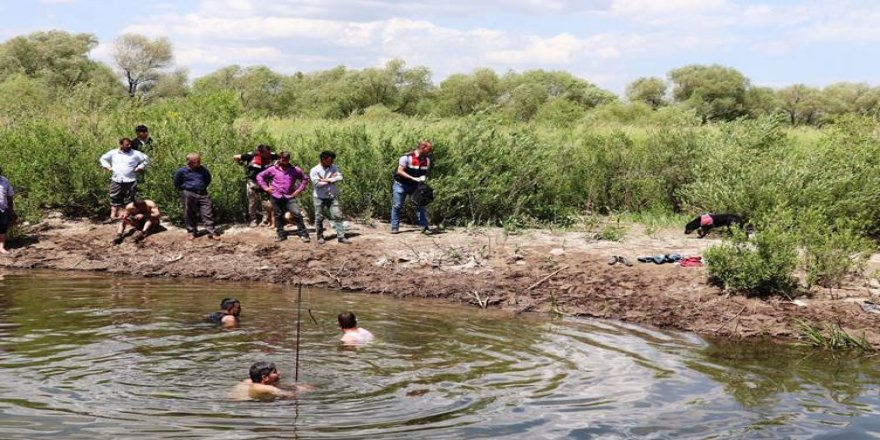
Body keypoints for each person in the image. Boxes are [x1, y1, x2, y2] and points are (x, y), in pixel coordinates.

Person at [256, 152, 310, 243]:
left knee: (297, 213)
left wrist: (298, 191)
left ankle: (303, 234)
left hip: (289, 196)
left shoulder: (295, 170)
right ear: (279, 158)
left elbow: (305, 179)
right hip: (276, 196)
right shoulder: (272, 169)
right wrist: (266, 188)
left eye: (286, 158)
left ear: (289, 159)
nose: (284, 160)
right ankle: (281, 234)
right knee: (278, 215)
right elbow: (259, 176)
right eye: (282, 158)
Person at [174, 153, 221, 240]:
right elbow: (177, 183)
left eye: (199, 160)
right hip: (189, 193)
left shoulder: (203, 169)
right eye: (197, 161)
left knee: (207, 212)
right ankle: (192, 232)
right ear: (189, 162)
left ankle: (211, 232)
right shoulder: (181, 171)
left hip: (203, 193)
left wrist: (202, 187)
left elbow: (208, 179)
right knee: (189, 212)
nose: (199, 162)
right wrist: (186, 190)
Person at [99, 137, 149, 220]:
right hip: (116, 179)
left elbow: (147, 159)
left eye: (130, 144)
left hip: (130, 179)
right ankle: (113, 215)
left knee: (129, 198)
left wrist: (140, 167)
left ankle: (127, 215)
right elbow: (102, 158)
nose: (129, 146)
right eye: (127, 145)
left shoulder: (135, 153)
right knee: (114, 197)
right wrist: (108, 167)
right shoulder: (114, 152)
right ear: (121, 145)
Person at [391, 140, 433, 235]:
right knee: (397, 205)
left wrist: (423, 179)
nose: (430, 152)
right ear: (422, 148)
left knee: (420, 205)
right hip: (400, 184)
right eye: (428, 150)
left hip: (415, 185)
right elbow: (399, 171)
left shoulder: (427, 160)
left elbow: (425, 172)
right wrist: (413, 178)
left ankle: (424, 227)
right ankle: (394, 227)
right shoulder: (406, 158)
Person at [309, 151, 350, 245]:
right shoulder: (314, 170)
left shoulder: (333, 167)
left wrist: (325, 179)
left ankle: (341, 236)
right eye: (330, 160)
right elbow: (317, 184)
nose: (332, 162)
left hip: (332, 196)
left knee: (337, 216)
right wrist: (332, 179)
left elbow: (340, 177)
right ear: (323, 159)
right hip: (319, 197)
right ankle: (320, 237)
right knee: (319, 217)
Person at [233, 144, 278, 227]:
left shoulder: (272, 155)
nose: (267, 155)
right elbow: (235, 157)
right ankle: (253, 220)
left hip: (265, 182)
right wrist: (241, 164)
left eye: (268, 153)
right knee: (252, 201)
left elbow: (281, 158)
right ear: (260, 152)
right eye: (265, 153)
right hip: (252, 181)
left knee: (265, 201)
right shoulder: (251, 155)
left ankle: (265, 219)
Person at [229, 362, 295, 401]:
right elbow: (290, 395)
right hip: (247, 408)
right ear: (265, 377)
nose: (279, 373)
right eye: (275, 372)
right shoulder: (269, 388)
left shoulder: (249, 381)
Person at [0, 166, 16, 254]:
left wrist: (11, 209)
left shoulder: (4, 181)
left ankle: (1, 247)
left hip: (3, 209)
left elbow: (10, 196)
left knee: (3, 228)